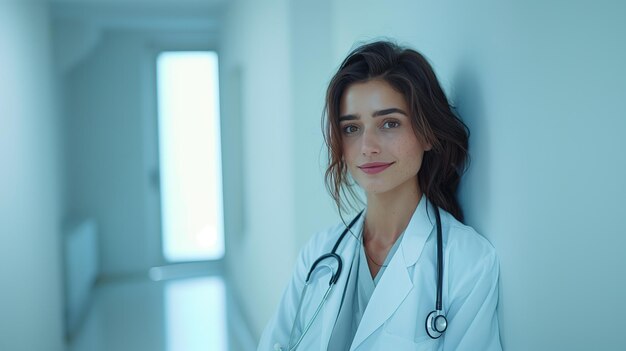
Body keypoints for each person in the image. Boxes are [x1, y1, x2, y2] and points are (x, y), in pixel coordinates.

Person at [258, 40, 502, 350]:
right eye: (351, 128)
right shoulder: (318, 254)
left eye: (389, 123)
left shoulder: (468, 262)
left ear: (427, 133)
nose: (367, 147)